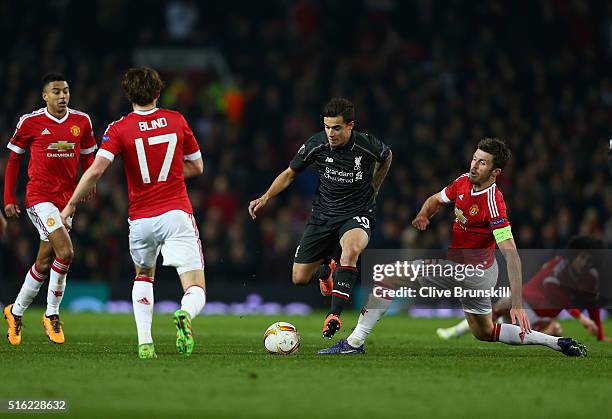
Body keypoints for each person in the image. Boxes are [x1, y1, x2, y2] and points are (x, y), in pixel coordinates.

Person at [320, 138, 587, 357]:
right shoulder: (463, 182)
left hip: (470, 272)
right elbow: (437, 198)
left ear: (495, 172)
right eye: (474, 158)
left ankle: (353, 343)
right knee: (483, 332)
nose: (474, 165)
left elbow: (512, 255)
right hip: (479, 272)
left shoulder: (493, 203)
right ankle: (555, 342)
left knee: (389, 276)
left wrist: (516, 303)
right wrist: (425, 214)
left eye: (482, 163)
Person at [60, 67, 206, 359]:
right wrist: (170, 177)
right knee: (194, 286)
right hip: (175, 213)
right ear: (158, 92)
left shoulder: (118, 128)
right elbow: (197, 166)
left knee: (143, 275)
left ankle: (144, 342)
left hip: (140, 219)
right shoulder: (177, 120)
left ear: (128, 94)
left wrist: (71, 203)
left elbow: (96, 170)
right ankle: (184, 316)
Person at [248, 98, 392, 338]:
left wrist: (375, 187)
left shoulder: (366, 145)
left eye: (336, 128)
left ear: (350, 126)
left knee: (352, 249)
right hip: (323, 216)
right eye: (327, 127)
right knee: (299, 278)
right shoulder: (316, 144)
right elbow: (289, 174)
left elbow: (386, 156)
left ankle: (333, 314)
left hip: (357, 212)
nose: (330, 133)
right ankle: (326, 270)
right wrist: (265, 198)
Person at [3, 73, 97, 346]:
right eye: (56, 91)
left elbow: (89, 153)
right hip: (39, 198)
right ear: (45, 96)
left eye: (66, 91)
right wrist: (9, 197)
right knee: (66, 252)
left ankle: (15, 312)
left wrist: (88, 178)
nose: (63, 96)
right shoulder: (30, 122)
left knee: (44, 261)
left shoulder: (82, 121)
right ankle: (52, 315)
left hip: (67, 202)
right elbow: (13, 161)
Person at [437, 236, 610, 341]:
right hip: (524, 301)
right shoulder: (559, 265)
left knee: (555, 332)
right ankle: (454, 332)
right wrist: (582, 319)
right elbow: (554, 294)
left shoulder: (590, 278)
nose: (584, 263)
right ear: (574, 256)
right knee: (502, 305)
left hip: (540, 316)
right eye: (582, 257)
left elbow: (593, 305)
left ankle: (511, 327)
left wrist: (600, 335)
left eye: (589, 260)